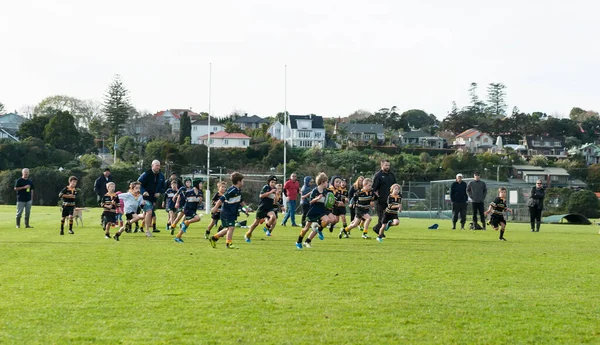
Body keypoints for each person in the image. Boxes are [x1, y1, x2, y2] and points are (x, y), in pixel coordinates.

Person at [209, 172, 251, 249]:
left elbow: (241, 201)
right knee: (231, 227)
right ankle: (229, 243)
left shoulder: (238, 190)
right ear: (238, 182)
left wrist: (246, 207)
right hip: (227, 212)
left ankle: (214, 238)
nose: (243, 182)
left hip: (232, 212)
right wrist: (215, 207)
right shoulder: (232, 190)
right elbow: (222, 198)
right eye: (242, 181)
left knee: (228, 228)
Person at [295, 172, 336, 249]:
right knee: (306, 228)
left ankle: (318, 229)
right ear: (322, 182)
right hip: (313, 211)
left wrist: (332, 203)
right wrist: (317, 198)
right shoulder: (315, 191)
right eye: (326, 182)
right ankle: (298, 241)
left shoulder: (325, 192)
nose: (327, 183)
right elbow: (311, 201)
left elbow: (327, 201)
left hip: (321, 211)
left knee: (327, 220)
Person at [244, 175, 278, 242]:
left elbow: (275, 201)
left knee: (273, 217)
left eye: (275, 182)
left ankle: (266, 227)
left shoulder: (275, 189)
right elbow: (261, 196)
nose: (273, 184)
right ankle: (247, 235)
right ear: (269, 182)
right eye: (272, 182)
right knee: (255, 224)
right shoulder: (266, 187)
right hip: (262, 208)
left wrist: (276, 195)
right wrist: (270, 192)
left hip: (269, 208)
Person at [138, 160, 166, 237]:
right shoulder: (146, 174)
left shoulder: (161, 176)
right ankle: (147, 231)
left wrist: (159, 192)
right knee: (149, 212)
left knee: (145, 215)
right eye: (157, 165)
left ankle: (129, 222)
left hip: (153, 199)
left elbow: (164, 187)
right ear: (152, 166)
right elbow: (139, 183)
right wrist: (143, 191)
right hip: (144, 197)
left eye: (159, 165)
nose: (158, 167)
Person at [372, 160, 397, 234]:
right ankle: (380, 233)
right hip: (381, 201)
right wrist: (374, 199)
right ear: (381, 165)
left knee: (391, 218)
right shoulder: (378, 175)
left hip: (390, 201)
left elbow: (395, 186)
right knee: (381, 218)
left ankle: (377, 229)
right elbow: (374, 189)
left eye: (389, 165)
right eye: (386, 165)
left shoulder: (392, 175)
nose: (388, 167)